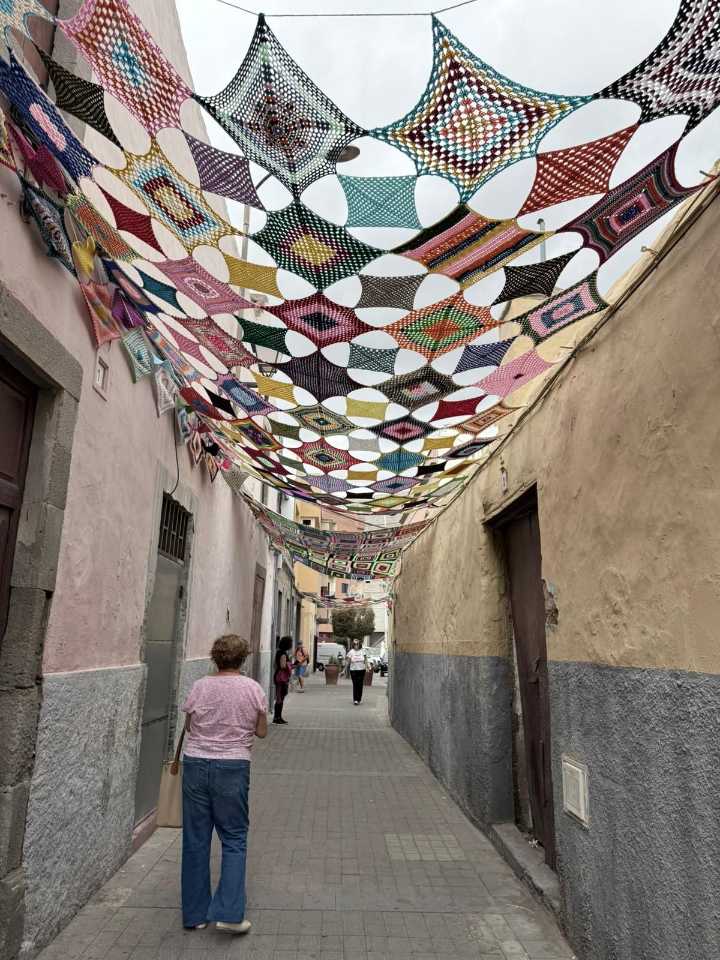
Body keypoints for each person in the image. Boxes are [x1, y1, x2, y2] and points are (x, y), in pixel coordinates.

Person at [181, 634, 267, 935]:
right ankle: (229, 914)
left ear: (215, 657)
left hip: (195, 764)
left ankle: (194, 916)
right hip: (233, 766)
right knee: (233, 838)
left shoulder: (200, 686)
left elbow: (190, 726)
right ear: (242, 658)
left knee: (195, 839)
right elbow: (261, 731)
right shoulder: (252, 689)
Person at [273, 635, 293, 724]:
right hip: (281, 678)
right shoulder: (283, 654)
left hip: (278, 676)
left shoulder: (278, 652)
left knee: (280, 697)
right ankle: (277, 718)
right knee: (280, 698)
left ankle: (278, 717)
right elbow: (282, 666)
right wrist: (289, 664)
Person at [346, 638, 368, 705]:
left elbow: (365, 660)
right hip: (353, 670)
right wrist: (344, 671)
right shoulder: (351, 652)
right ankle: (355, 699)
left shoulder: (363, 651)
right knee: (355, 684)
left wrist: (367, 667)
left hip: (361, 670)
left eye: (357, 644)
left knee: (360, 684)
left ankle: (359, 698)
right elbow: (348, 662)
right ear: (353, 645)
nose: (356, 645)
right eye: (354, 644)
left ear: (359, 644)